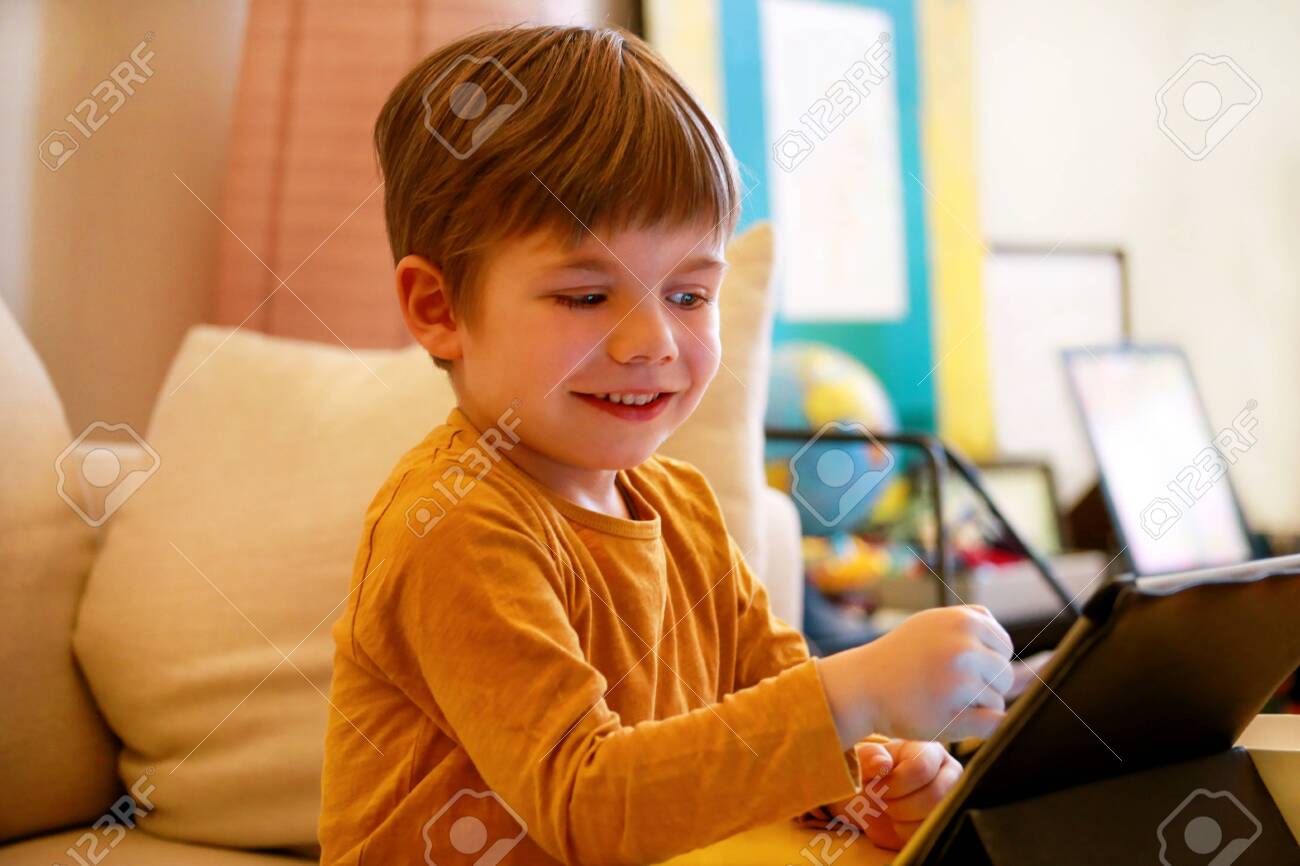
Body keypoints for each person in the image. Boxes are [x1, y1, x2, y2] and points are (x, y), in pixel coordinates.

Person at [319, 23, 1014, 866]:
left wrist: (882, 773)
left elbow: (775, 719)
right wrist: (855, 692)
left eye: (688, 294)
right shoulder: (455, 525)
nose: (650, 340)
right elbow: (588, 804)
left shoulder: (681, 504)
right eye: (584, 296)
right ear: (438, 308)